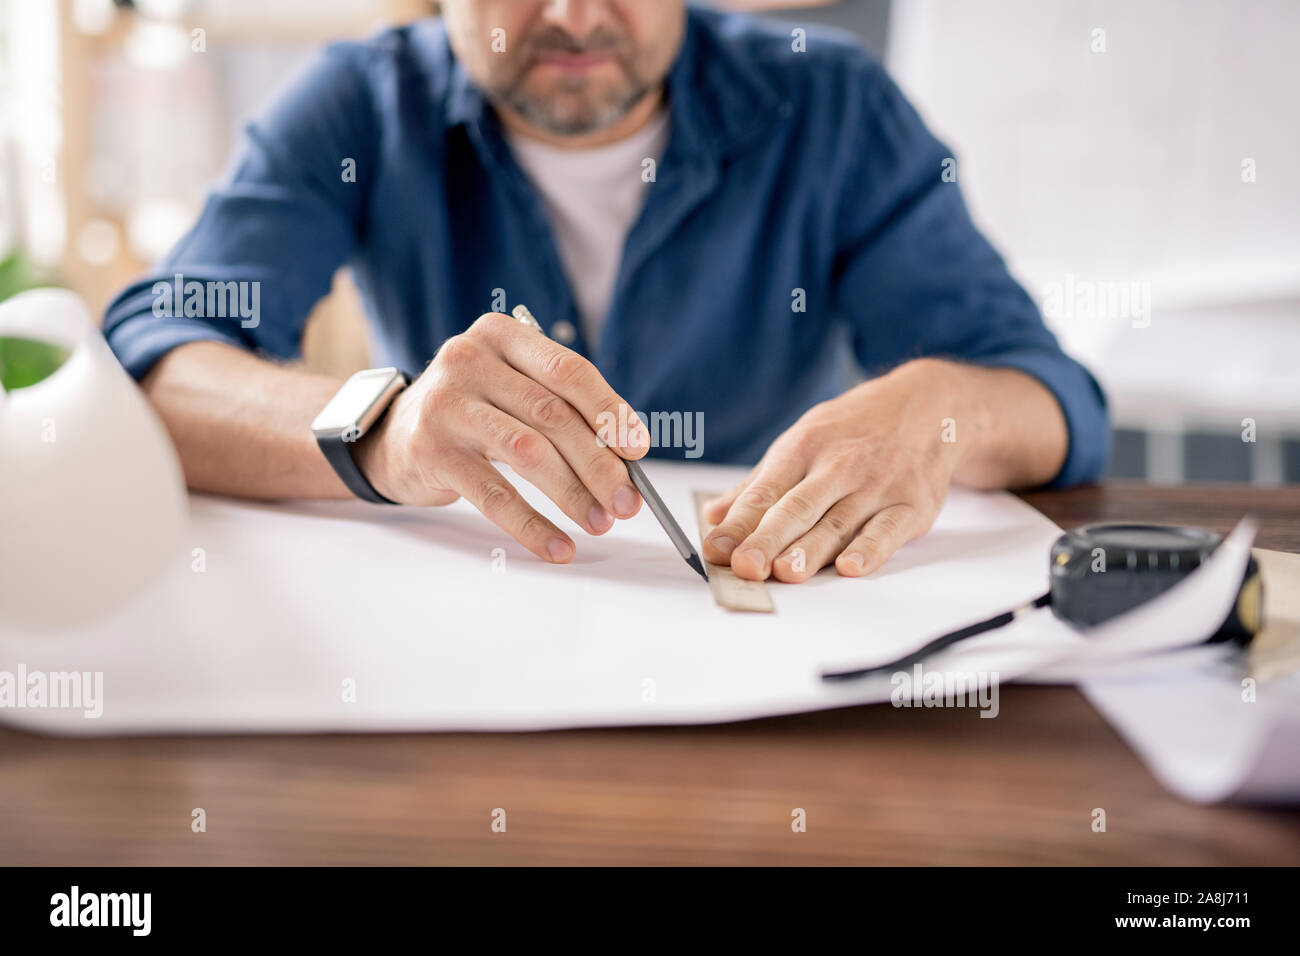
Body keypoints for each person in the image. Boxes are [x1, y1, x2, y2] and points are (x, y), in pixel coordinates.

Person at [103, 1, 1108, 583]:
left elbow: (1053, 397)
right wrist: (389, 426)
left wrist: (933, 410)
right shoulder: (360, 103)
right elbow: (154, 361)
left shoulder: (831, 101)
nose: (578, 16)